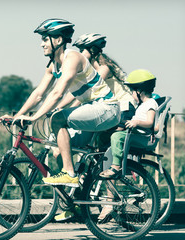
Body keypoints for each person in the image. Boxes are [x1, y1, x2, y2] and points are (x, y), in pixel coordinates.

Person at [2, 18, 121, 188]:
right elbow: (38, 94)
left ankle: (69, 174)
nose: (41, 44)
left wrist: (35, 117)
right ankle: (74, 198)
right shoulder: (53, 65)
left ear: (58, 40)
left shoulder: (72, 57)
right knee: (58, 148)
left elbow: (57, 93)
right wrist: (18, 115)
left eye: (45, 39)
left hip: (106, 108)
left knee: (58, 119)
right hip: (92, 110)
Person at [53, 33, 138, 221]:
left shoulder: (104, 69)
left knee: (103, 152)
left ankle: (109, 200)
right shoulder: (87, 67)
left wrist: (60, 108)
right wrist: (61, 109)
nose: (79, 54)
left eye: (83, 50)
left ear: (92, 51)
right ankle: (78, 193)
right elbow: (81, 95)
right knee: (76, 150)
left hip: (123, 110)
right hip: (103, 111)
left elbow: (79, 94)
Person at [97, 69, 158, 221]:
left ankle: (115, 166)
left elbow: (150, 122)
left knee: (117, 136)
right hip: (137, 135)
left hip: (142, 138)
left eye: (132, 90)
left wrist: (137, 122)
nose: (131, 94)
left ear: (140, 90)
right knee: (110, 134)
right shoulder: (143, 104)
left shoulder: (151, 103)